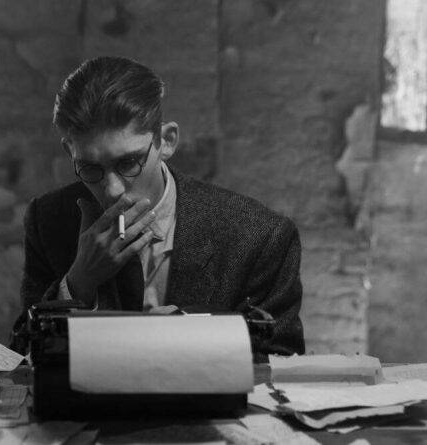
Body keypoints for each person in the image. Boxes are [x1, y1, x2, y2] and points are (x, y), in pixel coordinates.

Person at [16, 56, 304, 361]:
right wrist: (77, 283)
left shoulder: (258, 236)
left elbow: (281, 362)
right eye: (89, 167)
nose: (112, 189)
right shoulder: (47, 219)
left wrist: (184, 338)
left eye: (128, 162)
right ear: (69, 151)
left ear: (166, 142)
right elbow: (24, 357)